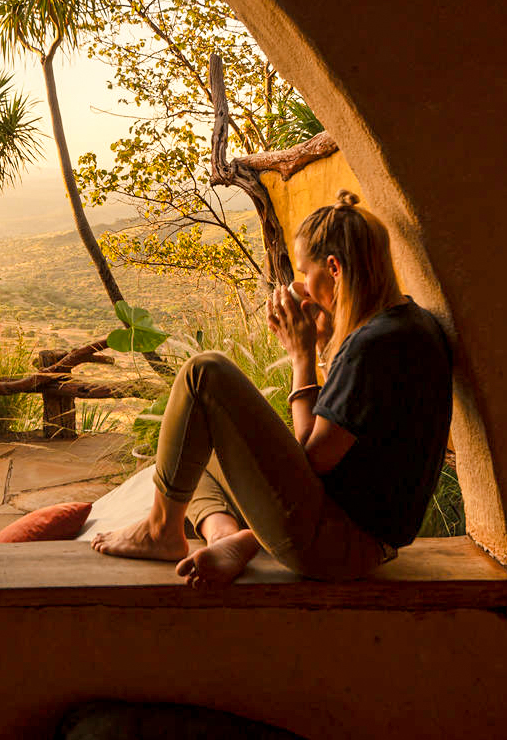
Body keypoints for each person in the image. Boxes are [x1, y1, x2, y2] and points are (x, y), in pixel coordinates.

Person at [92, 189, 452, 587]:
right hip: (363, 536)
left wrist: (302, 354)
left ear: (333, 268)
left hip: (336, 547)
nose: (300, 284)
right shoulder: (409, 323)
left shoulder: (373, 346)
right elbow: (350, 439)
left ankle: (160, 531)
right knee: (188, 450)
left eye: (304, 271)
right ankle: (228, 538)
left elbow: (311, 457)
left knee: (203, 372)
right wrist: (329, 338)